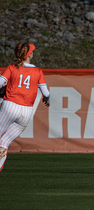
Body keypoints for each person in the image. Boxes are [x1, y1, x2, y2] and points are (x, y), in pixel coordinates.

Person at [0, 42, 50, 172]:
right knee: (4, 143)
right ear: (30, 55)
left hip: (10, 106)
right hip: (26, 112)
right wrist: (47, 100)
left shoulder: (12, 67)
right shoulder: (38, 71)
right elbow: (46, 93)